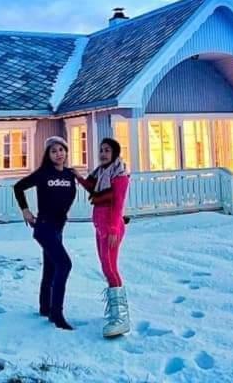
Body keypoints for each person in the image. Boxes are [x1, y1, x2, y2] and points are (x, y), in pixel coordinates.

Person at [13, 136, 79, 330]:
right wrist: (25, 210)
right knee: (64, 264)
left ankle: (45, 307)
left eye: (61, 149)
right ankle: (56, 314)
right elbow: (18, 187)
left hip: (58, 228)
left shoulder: (70, 174)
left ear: (66, 151)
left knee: (50, 268)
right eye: (53, 151)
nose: (58, 153)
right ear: (48, 155)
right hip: (43, 227)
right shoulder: (43, 174)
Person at [78, 137, 131, 337]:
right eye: (101, 150)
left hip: (111, 228)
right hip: (100, 227)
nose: (103, 154)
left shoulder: (119, 176)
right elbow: (89, 186)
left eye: (107, 150)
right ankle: (115, 311)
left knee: (110, 268)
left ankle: (121, 317)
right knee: (105, 267)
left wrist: (113, 229)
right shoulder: (100, 173)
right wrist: (75, 174)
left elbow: (118, 205)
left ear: (115, 153)